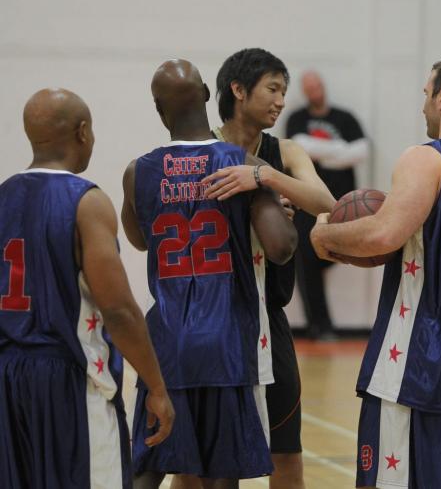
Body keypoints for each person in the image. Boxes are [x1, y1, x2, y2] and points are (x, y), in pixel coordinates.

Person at [311, 56, 441, 488]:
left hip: (417, 370)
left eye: (425, 95)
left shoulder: (427, 158)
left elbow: (382, 234)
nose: (422, 107)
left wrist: (323, 236)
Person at [121, 59, 297, 489]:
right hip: (227, 343)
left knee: (148, 466)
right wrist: (275, 203)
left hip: (167, 342)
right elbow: (280, 248)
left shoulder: (137, 171)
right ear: (205, 94)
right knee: (223, 475)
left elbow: (141, 240)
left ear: (159, 110)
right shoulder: (240, 162)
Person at [0, 88, 174, 489]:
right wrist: (157, 386)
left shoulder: (5, 195)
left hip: (8, 376)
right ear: (82, 132)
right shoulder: (86, 201)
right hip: (67, 377)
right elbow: (118, 309)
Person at [196, 48, 335, 489]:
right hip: (212, 317)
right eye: (272, 89)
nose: (280, 101)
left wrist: (265, 178)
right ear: (238, 90)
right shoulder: (202, 150)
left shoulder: (285, 151)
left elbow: (326, 202)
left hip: (268, 319)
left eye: (284, 91)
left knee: (286, 453)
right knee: (201, 464)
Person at [286, 71, 370, 338]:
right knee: (306, 261)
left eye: (317, 86)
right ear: (304, 91)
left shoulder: (344, 118)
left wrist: (320, 152)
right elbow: (298, 147)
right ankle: (320, 325)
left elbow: (361, 152)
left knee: (340, 254)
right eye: (308, 88)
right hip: (306, 203)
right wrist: (340, 150)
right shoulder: (297, 119)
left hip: (343, 205)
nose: (315, 91)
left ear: (323, 86)